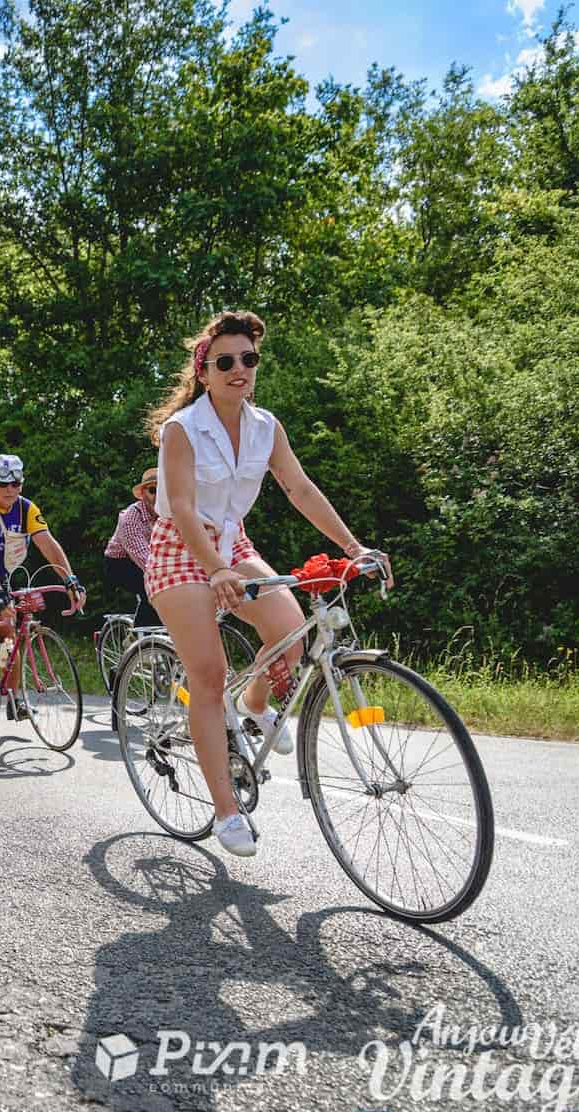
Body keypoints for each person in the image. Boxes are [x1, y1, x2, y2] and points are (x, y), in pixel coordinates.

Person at [145, 309, 387, 858]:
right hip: (180, 553)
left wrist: (355, 549)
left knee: (291, 633)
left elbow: (300, 489)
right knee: (208, 675)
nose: (239, 369)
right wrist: (215, 569)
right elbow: (181, 508)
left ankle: (255, 706)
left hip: (234, 548)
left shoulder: (265, 427)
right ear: (204, 371)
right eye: (225, 361)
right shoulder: (182, 430)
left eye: (248, 359)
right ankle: (227, 810)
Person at [0, 454, 86, 718]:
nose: (10, 490)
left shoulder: (26, 509)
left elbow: (48, 544)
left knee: (9, 635)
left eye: (16, 484)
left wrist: (69, 579)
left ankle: (12, 697)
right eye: (3, 483)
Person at [103, 467, 159, 626]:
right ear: (143, 494)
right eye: (153, 490)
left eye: (163, 490)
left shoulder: (170, 514)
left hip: (152, 558)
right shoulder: (130, 518)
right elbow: (146, 560)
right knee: (152, 589)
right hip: (120, 563)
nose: (158, 496)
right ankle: (139, 641)